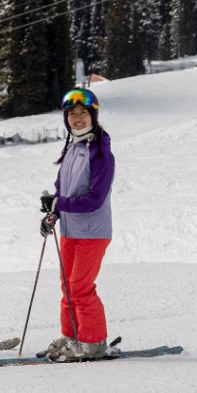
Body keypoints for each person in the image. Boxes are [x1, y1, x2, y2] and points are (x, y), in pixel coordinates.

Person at [39, 87, 114, 360]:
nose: (78, 118)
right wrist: (53, 214)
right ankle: (73, 337)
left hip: (93, 232)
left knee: (80, 287)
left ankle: (93, 343)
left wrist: (59, 204)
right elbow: (62, 191)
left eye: (83, 113)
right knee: (68, 287)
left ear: (93, 116)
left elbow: (94, 200)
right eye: (72, 114)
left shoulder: (101, 154)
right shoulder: (72, 148)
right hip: (70, 230)